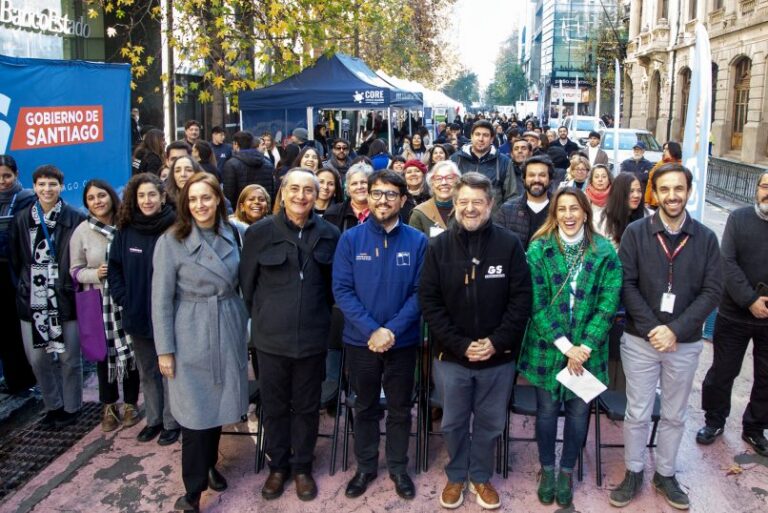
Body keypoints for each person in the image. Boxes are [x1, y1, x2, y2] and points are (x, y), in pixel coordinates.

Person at [610, 164, 723, 510]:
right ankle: (633, 471)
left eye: (679, 189)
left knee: (674, 414)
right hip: (640, 341)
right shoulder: (636, 233)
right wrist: (653, 329)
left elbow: (712, 291)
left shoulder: (706, 238)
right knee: (637, 412)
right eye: (665, 189)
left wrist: (675, 330)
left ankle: (666, 473)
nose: (672, 196)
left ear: (689, 192)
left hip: (684, 343)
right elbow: (626, 284)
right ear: (655, 194)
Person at [419, 172, 532, 510]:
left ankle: (480, 476)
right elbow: (429, 302)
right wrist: (460, 344)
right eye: (464, 201)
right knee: (453, 421)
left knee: (490, 422)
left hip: (498, 356)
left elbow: (521, 300)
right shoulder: (438, 246)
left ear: (490, 204)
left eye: (477, 202)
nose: (470, 208)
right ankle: (456, 475)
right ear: (454, 204)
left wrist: (495, 342)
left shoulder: (509, 244)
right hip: (452, 356)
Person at [518, 187, 622, 508]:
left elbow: (608, 303)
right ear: (554, 214)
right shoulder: (539, 250)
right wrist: (566, 347)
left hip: (588, 351)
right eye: (561, 209)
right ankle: (548, 470)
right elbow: (536, 304)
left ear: (585, 213)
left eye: (574, 208)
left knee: (578, 413)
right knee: (547, 412)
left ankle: (566, 471)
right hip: (548, 348)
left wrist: (585, 346)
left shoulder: (604, 251)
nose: (568, 215)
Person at [240, 169, 340, 501]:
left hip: (312, 339)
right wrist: (267, 317)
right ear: (282, 193)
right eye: (294, 189)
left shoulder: (330, 233)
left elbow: (333, 287)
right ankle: (278, 466)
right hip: (270, 340)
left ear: (316, 195)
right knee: (274, 406)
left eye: (308, 190)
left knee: (307, 407)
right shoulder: (259, 232)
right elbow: (247, 286)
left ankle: (302, 467)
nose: (300, 196)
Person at [152, 172, 249, 512]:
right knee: (195, 414)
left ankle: (209, 465)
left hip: (227, 323)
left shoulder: (233, 233)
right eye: (192, 199)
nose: (199, 205)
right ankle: (192, 492)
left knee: (219, 402)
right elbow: (160, 300)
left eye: (206, 197)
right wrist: (165, 350)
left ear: (218, 199)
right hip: (190, 330)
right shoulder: (170, 241)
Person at [333, 170, 427, 501]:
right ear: (367, 197)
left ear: (403, 200)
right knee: (365, 407)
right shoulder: (350, 239)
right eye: (376, 193)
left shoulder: (418, 241)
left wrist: (391, 330)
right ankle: (366, 467)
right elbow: (342, 290)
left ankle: (398, 467)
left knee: (400, 407)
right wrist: (373, 330)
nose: (382, 200)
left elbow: (420, 292)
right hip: (361, 342)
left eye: (390, 194)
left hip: (403, 341)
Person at [697, 171, 768, 457]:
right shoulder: (739, 219)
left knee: (766, 376)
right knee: (723, 371)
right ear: (757, 189)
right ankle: (714, 421)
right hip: (734, 313)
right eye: (765, 186)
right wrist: (750, 300)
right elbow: (727, 262)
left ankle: (755, 428)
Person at [9, 164, 86, 427]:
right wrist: (26, 285)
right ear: (34, 187)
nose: (47, 189)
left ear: (61, 186)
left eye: (52, 184)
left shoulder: (75, 218)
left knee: (69, 359)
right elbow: (16, 258)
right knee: (38, 359)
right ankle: (53, 405)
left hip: (65, 296)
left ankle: (72, 407)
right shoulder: (22, 219)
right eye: (41, 184)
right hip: (32, 298)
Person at [108, 173, 181, 445]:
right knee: (148, 371)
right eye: (141, 195)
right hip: (137, 313)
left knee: (171, 372)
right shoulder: (125, 230)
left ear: (163, 197)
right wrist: (124, 298)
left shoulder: (177, 227)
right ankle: (154, 420)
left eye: (152, 194)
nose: (147, 200)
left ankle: (172, 422)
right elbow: (114, 268)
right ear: (134, 199)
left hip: (172, 315)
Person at [69, 180, 141, 433]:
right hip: (99, 301)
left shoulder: (127, 225)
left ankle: (131, 403)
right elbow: (74, 270)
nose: (97, 201)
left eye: (101, 195)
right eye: (91, 198)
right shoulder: (81, 231)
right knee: (103, 355)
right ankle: (109, 405)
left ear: (111, 196)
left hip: (126, 298)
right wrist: (95, 274)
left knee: (131, 352)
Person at [0, 155, 37, 394]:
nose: (2, 181)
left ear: (16, 175)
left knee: (18, 328)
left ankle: (26, 379)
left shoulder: (26, 199)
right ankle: (13, 379)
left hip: (16, 271)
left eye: (7, 176)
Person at [449, 120, 518, 208]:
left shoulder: (504, 162)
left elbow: (511, 196)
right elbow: (449, 191)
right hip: (462, 214)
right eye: (477, 134)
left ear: (492, 139)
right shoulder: (455, 159)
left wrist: (503, 215)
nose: (481, 139)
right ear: (471, 136)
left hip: (493, 216)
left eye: (485, 135)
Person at [494, 155, 553, 250]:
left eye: (542, 175)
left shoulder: (559, 208)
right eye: (531, 175)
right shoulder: (507, 210)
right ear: (524, 179)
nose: (536, 179)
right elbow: (497, 245)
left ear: (550, 179)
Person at [222, 130, 275, 208]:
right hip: (263, 210)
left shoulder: (231, 164)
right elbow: (272, 192)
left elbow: (229, 195)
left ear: (236, 144)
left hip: (241, 211)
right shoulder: (268, 163)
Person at [409, 161, 460, 237]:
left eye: (449, 178)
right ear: (432, 184)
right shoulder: (419, 213)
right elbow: (414, 242)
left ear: (457, 182)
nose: (444, 183)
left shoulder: (465, 209)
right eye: (438, 179)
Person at [599, 173, 646, 249]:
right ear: (619, 193)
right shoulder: (604, 221)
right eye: (631, 191)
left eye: (639, 191)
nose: (636, 195)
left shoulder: (648, 216)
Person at [324, 163, 374, 232]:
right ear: (348, 188)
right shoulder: (332, 214)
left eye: (363, 182)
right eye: (354, 184)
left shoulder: (382, 213)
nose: (359, 187)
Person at [644, 141, 682, 208]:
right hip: (655, 203)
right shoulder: (659, 165)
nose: (664, 151)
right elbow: (650, 183)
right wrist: (647, 201)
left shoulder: (680, 166)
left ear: (673, 150)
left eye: (667, 149)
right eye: (664, 149)